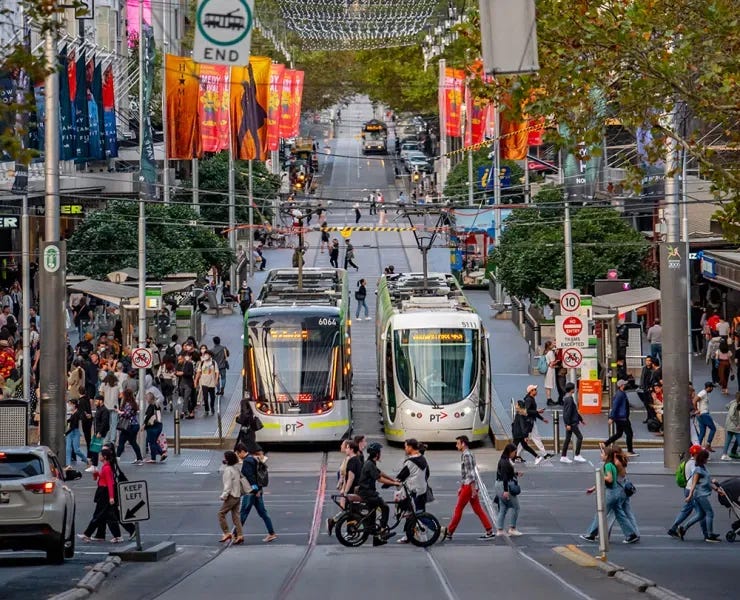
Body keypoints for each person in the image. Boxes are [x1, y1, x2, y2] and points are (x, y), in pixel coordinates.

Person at [580, 446, 639, 544]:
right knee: (620, 514)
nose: (600, 455)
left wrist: (600, 476)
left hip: (612, 492)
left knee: (601, 512)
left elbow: (610, 479)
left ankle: (591, 534)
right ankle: (631, 534)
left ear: (608, 456)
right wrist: (595, 487)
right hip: (618, 491)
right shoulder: (614, 464)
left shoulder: (609, 465)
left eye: (602, 453)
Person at [441, 436, 495, 541]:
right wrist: (462, 486)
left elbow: (470, 474)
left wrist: (472, 489)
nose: (456, 445)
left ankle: (450, 531)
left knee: (458, 508)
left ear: (463, 444)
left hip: (469, 486)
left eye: (458, 443)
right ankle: (489, 530)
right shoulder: (468, 454)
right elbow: (467, 473)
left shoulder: (466, 455)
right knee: (477, 509)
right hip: (468, 485)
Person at [357, 442, 399, 542]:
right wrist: (394, 484)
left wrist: (393, 480)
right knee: (385, 507)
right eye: (380, 452)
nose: (381, 454)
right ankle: (383, 531)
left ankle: (376, 536)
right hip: (368, 493)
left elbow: (380, 472)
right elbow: (379, 478)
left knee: (373, 512)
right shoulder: (369, 464)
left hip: (367, 491)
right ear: (376, 454)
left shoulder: (371, 463)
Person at [235, 442, 277, 543]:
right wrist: (258, 489)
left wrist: (255, 489)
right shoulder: (254, 458)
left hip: (251, 492)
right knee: (263, 512)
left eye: (237, 453)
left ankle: (237, 535)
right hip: (257, 490)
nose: (237, 456)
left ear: (241, 452)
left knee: (244, 512)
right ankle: (271, 533)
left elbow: (250, 477)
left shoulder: (247, 461)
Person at [78, 449, 123, 543]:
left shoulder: (106, 468)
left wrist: (111, 497)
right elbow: (102, 479)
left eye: (101, 455)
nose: (99, 457)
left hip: (104, 493)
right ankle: (115, 536)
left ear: (105, 457)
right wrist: (96, 474)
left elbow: (110, 483)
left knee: (98, 515)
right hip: (103, 492)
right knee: (108, 516)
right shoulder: (105, 467)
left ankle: (87, 534)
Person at [678, 449, 722, 542]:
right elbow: (694, 484)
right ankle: (710, 535)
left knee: (701, 515)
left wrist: (717, 490)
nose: (708, 459)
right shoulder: (698, 470)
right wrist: (689, 496)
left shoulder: (703, 468)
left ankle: (683, 529)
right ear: (703, 458)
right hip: (700, 495)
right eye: (707, 458)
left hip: (701, 494)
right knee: (710, 513)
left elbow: (707, 482)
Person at [668, 444, 704, 538]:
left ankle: (673, 528)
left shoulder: (688, 462)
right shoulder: (693, 464)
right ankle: (707, 534)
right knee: (701, 512)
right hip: (692, 490)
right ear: (696, 454)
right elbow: (695, 475)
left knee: (686, 510)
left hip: (687, 489)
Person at [604, 380, 638, 456]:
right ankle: (630, 451)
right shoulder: (620, 395)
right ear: (622, 386)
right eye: (625, 384)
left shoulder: (621, 393)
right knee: (629, 434)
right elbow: (615, 406)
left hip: (620, 417)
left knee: (619, 434)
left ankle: (605, 443)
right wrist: (611, 417)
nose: (626, 385)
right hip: (622, 418)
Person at [495, 443, 523, 536]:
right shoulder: (505, 462)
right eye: (514, 452)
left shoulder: (504, 460)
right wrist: (506, 490)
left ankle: (500, 529)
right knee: (516, 507)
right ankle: (512, 528)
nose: (515, 454)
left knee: (503, 507)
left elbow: (508, 473)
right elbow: (505, 477)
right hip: (505, 485)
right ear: (510, 452)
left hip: (498, 484)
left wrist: (516, 473)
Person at [217, 451, 244, 545]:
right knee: (236, 516)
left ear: (227, 459)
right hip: (238, 495)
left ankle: (226, 533)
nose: (223, 459)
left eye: (224, 458)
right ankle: (240, 535)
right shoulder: (236, 468)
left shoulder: (228, 470)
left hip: (231, 495)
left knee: (221, 514)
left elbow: (228, 485)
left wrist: (224, 496)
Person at [520, 384, 551, 463]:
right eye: (535, 389)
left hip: (530, 421)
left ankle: (517, 455)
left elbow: (533, 412)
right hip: (529, 422)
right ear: (531, 391)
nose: (536, 391)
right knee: (535, 438)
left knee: (525, 440)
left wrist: (542, 418)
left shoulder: (531, 399)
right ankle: (544, 454)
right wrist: (537, 411)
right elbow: (527, 411)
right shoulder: (529, 400)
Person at [560, 382, 586, 463]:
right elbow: (567, 413)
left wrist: (581, 419)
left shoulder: (567, 398)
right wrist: (567, 424)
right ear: (571, 389)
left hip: (570, 422)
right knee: (580, 437)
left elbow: (573, 411)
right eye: (574, 388)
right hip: (572, 423)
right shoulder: (569, 399)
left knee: (567, 439)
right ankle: (577, 455)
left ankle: (563, 456)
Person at [116, 389, 143, 464]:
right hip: (134, 425)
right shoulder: (133, 403)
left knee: (121, 441)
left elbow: (127, 414)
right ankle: (139, 458)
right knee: (133, 442)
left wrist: (120, 412)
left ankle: (117, 457)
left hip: (128, 426)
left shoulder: (128, 404)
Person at [87, 396, 110, 471]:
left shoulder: (104, 410)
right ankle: (94, 465)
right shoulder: (99, 409)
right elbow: (98, 420)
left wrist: (100, 432)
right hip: (98, 432)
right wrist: (91, 417)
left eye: (96, 401)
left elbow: (104, 422)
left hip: (101, 433)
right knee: (95, 448)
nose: (95, 403)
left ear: (101, 401)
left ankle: (97, 466)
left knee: (99, 449)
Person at [693, 381, 717, 451]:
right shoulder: (703, 393)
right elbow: (694, 401)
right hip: (704, 414)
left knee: (702, 433)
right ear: (709, 387)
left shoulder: (704, 393)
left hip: (701, 415)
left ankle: (697, 449)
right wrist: (696, 410)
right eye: (712, 388)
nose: (712, 389)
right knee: (713, 429)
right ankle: (708, 445)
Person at [195, 349, 220, 417]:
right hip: (204, 382)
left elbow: (217, 372)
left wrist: (216, 380)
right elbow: (198, 372)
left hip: (211, 382)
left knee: (212, 397)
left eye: (207, 354)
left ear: (210, 355)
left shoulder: (214, 363)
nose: (205, 356)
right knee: (205, 397)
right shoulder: (202, 363)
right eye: (205, 354)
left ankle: (212, 407)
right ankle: (206, 409)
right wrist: (196, 380)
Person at [65, 399, 88, 469]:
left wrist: (65, 433)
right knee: (68, 449)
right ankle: (68, 464)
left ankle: (86, 460)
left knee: (76, 450)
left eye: (70, 404)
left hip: (75, 432)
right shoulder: (73, 413)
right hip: (70, 432)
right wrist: (67, 421)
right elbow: (71, 421)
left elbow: (74, 425)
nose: (69, 406)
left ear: (74, 405)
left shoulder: (77, 413)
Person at [143, 392, 165, 463]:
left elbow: (148, 416)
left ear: (149, 399)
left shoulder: (151, 406)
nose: (146, 399)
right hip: (159, 425)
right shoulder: (157, 405)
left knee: (152, 442)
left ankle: (153, 458)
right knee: (154, 441)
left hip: (152, 426)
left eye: (146, 398)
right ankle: (162, 453)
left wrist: (144, 425)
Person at [721, 392, 740, 461]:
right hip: (734, 426)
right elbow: (732, 415)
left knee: (728, 440)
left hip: (729, 425)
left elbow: (726, 406)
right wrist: (737, 424)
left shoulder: (733, 402)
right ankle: (725, 455)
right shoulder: (735, 404)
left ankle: (724, 454)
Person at [177, 353, 196, 419]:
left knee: (186, 398)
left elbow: (190, 373)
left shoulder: (189, 364)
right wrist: (176, 373)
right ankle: (187, 411)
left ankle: (183, 412)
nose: (179, 361)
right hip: (181, 384)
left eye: (180, 359)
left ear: (183, 358)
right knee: (184, 398)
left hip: (188, 383)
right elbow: (176, 372)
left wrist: (183, 373)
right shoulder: (179, 365)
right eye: (178, 359)